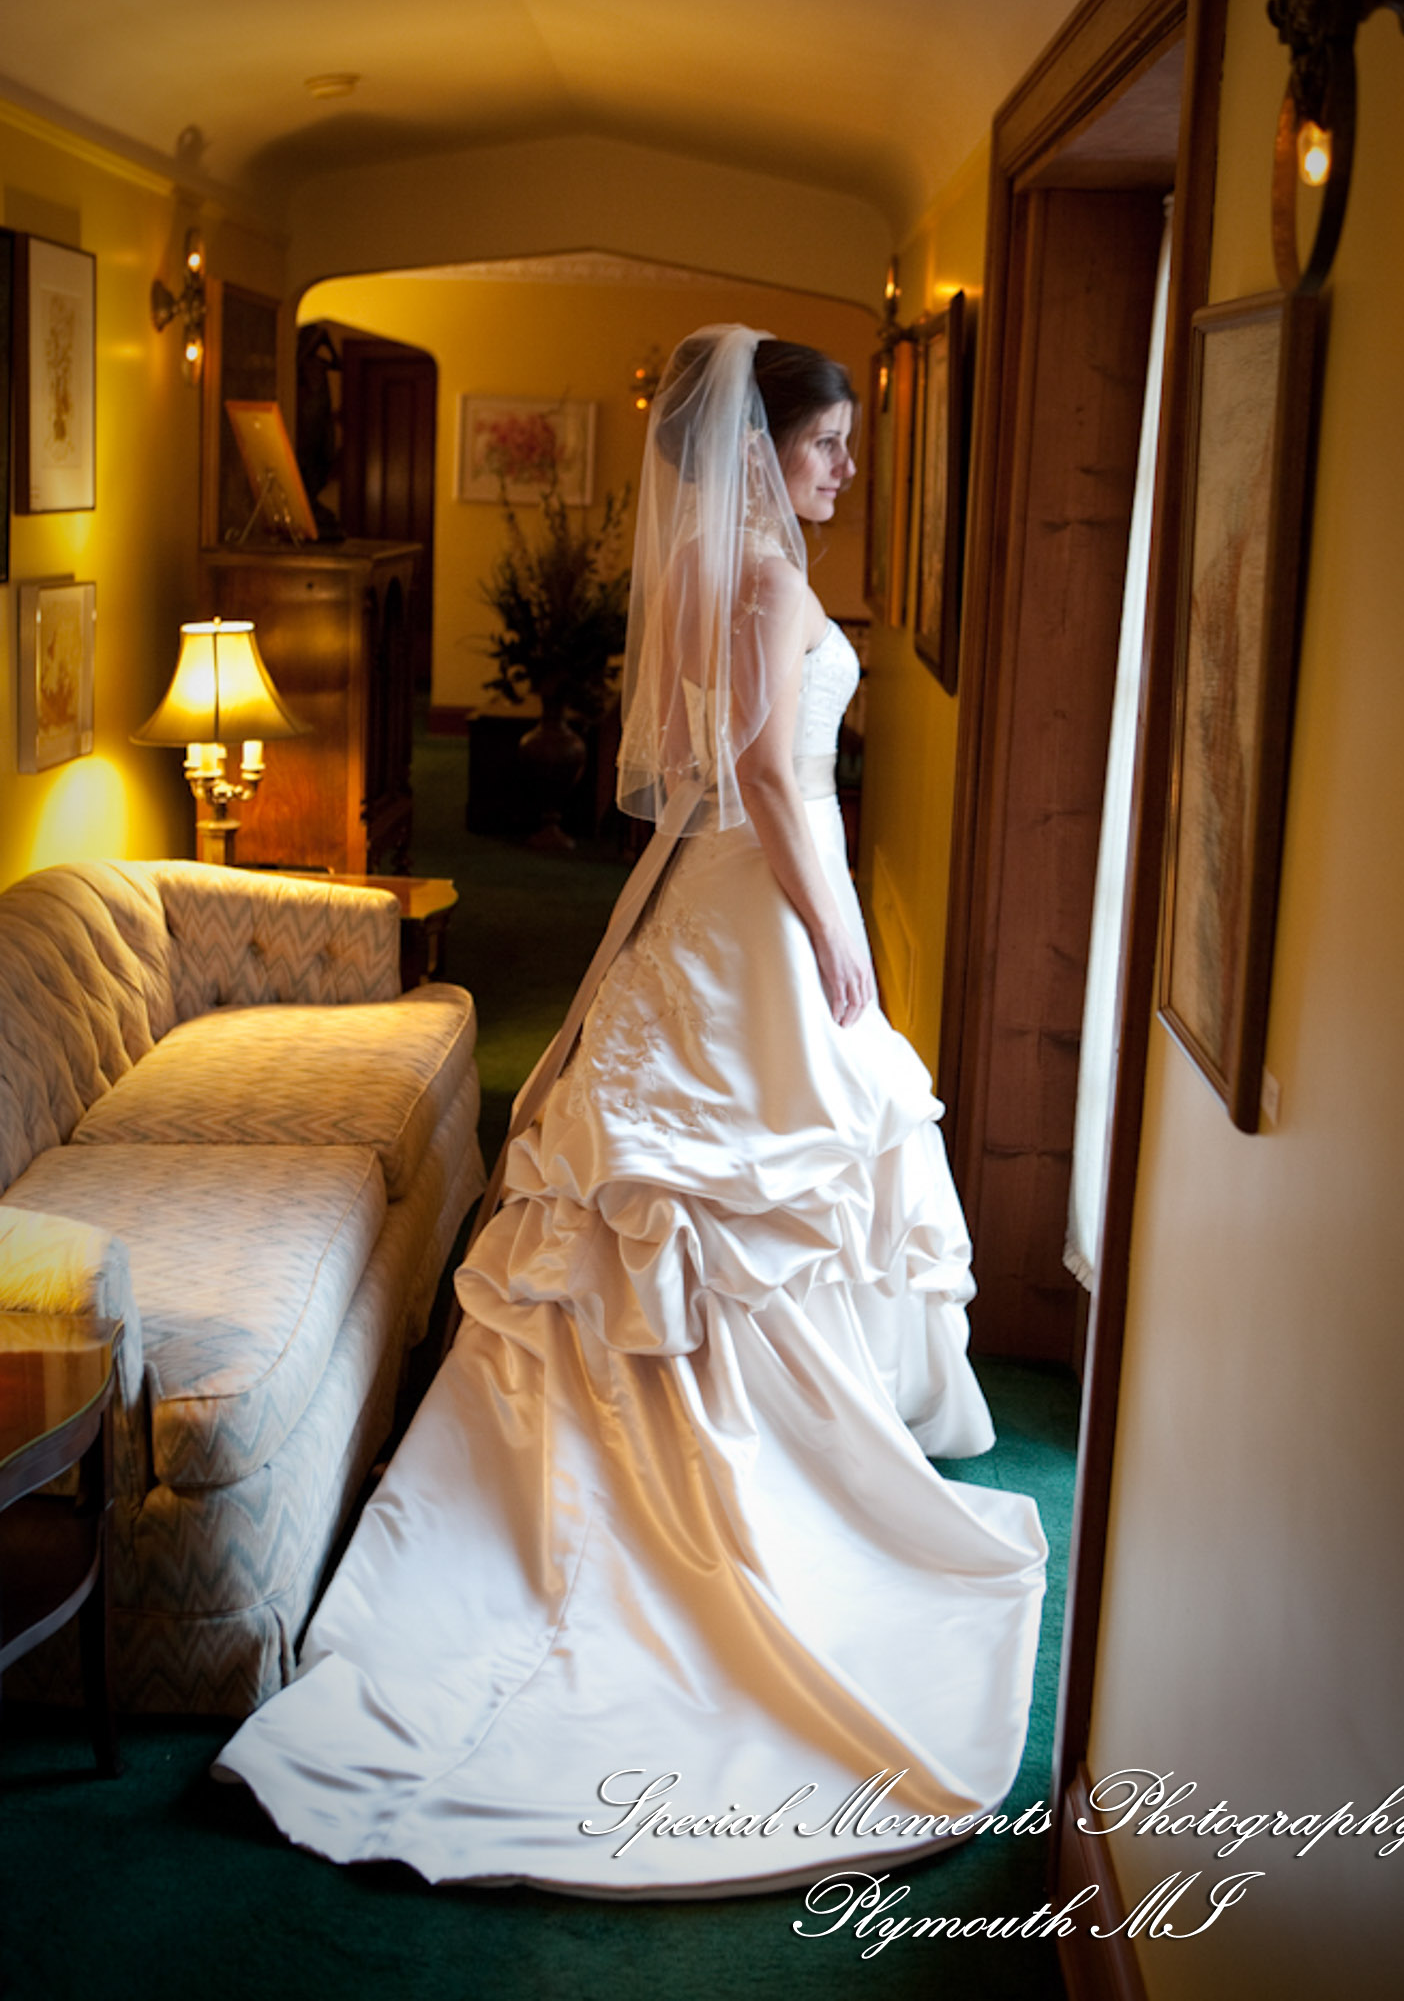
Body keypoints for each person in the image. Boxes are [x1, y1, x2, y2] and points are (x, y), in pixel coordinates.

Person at [214, 324, 1047, 1895]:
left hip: (701, 894)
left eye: (845, 446)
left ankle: (672, 1463)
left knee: (696, 1188)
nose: (843, 469)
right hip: (758, 898)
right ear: (761, 449)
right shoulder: (772, 575)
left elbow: (707, 761)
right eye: (825, 445)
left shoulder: (710, 565)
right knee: (745, 1184)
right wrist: (833, 925)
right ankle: (743, 1490)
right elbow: (770, 773)